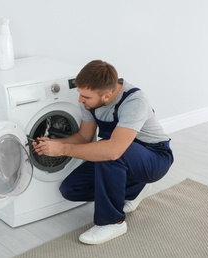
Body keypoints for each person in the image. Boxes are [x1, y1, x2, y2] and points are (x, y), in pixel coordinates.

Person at [32, 60, 174, 245]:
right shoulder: (90, 102)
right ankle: (136, 188)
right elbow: (84, 137)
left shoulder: (134, 101)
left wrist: (64, 149)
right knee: (71, 189)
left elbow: (114, 150)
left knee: (110, 152)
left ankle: (112, 222)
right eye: (79, 94)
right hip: (120, 156)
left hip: (154, 157)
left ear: (107, 96)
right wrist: (54, 143)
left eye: (85, 97)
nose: (80, 100)